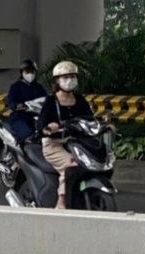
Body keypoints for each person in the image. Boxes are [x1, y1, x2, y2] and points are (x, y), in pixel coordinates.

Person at [39, 60, 94, 210]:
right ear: (57, 80)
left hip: (76, 143)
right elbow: (41, 125)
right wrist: (49, 127)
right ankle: (61, 201)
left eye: (72, 76)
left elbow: (90, 119)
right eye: (65, 77)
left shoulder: (80, 100)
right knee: (71, 166)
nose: (69, 80)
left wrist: (105, 125)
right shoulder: (51, 101)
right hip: (54, 144)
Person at [6, 59, 45, 143]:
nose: (30, 74)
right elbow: (10, 101)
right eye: (27, 71)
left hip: (37, 117)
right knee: (28, 134)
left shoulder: (39, 88)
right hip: (19, 118)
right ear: (21, 73)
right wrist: (17, 105)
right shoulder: (16, 87)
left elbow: (45, 99)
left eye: (32, 71)